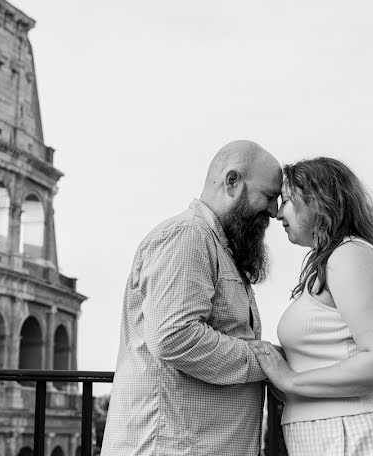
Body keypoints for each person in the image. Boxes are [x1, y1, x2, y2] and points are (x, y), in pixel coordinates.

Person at [101, 140, 283, 456]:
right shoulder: (188, 236)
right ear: (232, 182)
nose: (274, 211)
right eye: (268, 196)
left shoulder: (217, 245)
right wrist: (268, 361)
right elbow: (175, 337)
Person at [248, 157, 373, 455]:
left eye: (288, 200)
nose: (278, 213)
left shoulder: (349, 256)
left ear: (319, 201)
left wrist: (291, 379)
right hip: (340, 431)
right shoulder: (336, 259)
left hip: (360, 432)